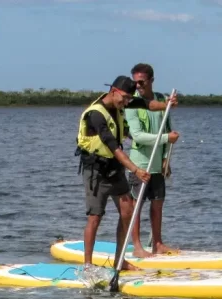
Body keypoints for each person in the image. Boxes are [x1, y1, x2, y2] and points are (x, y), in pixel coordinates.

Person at [76, 76, 176, 267]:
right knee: (95, 217)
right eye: (124, 98)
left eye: (129, 99)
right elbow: (115, 147)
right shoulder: (96, 114)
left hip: (115, 168)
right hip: (96, 171)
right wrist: (136, 170)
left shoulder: (123, 102)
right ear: (113, 91)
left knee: (127, 211)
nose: (126, 103)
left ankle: (119, 261)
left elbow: (148, 104)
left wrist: (167, 105)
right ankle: (87, 265)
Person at [125, 63, 180, 255]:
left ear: (151, 81)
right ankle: (137, 246)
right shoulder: (131, 103)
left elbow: (167, 128)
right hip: (140, 164)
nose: (138, 86)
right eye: (135, 82)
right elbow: (138, 136)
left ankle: (158, 243)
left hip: (157, 164)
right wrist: (166, 138)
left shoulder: (161, 99)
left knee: (158, 204)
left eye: (141, 82)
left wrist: (166, 158)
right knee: (136, 206)